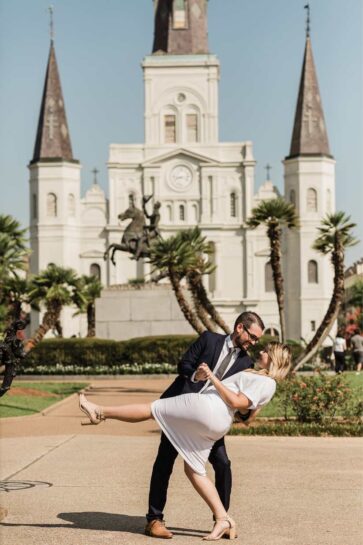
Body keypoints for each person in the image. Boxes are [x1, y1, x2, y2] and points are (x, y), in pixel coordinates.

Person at [79, 341, 292, 541]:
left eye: (266, 351)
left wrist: (212, 377)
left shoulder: (266, 382)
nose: (260, 351)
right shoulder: (261, 378)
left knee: (153, 408)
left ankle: (99, 411)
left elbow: (238, 401)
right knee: (194, 470)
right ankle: (223, 519)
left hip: (205, 408)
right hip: (216, 422)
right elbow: (246, 412)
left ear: (274, 359)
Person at [145, 311, 264, 538]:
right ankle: (154, 520)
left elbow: (238, 397)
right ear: (240, 328)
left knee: (223, 464)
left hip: (210, 418)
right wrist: (196, 376)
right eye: (253, 336)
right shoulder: (209, 339)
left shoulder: (246, 362)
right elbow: (184, 364)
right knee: (164, 462)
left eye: (257, 339)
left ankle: (222, 519)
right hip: (179, 409)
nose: (254, 342)